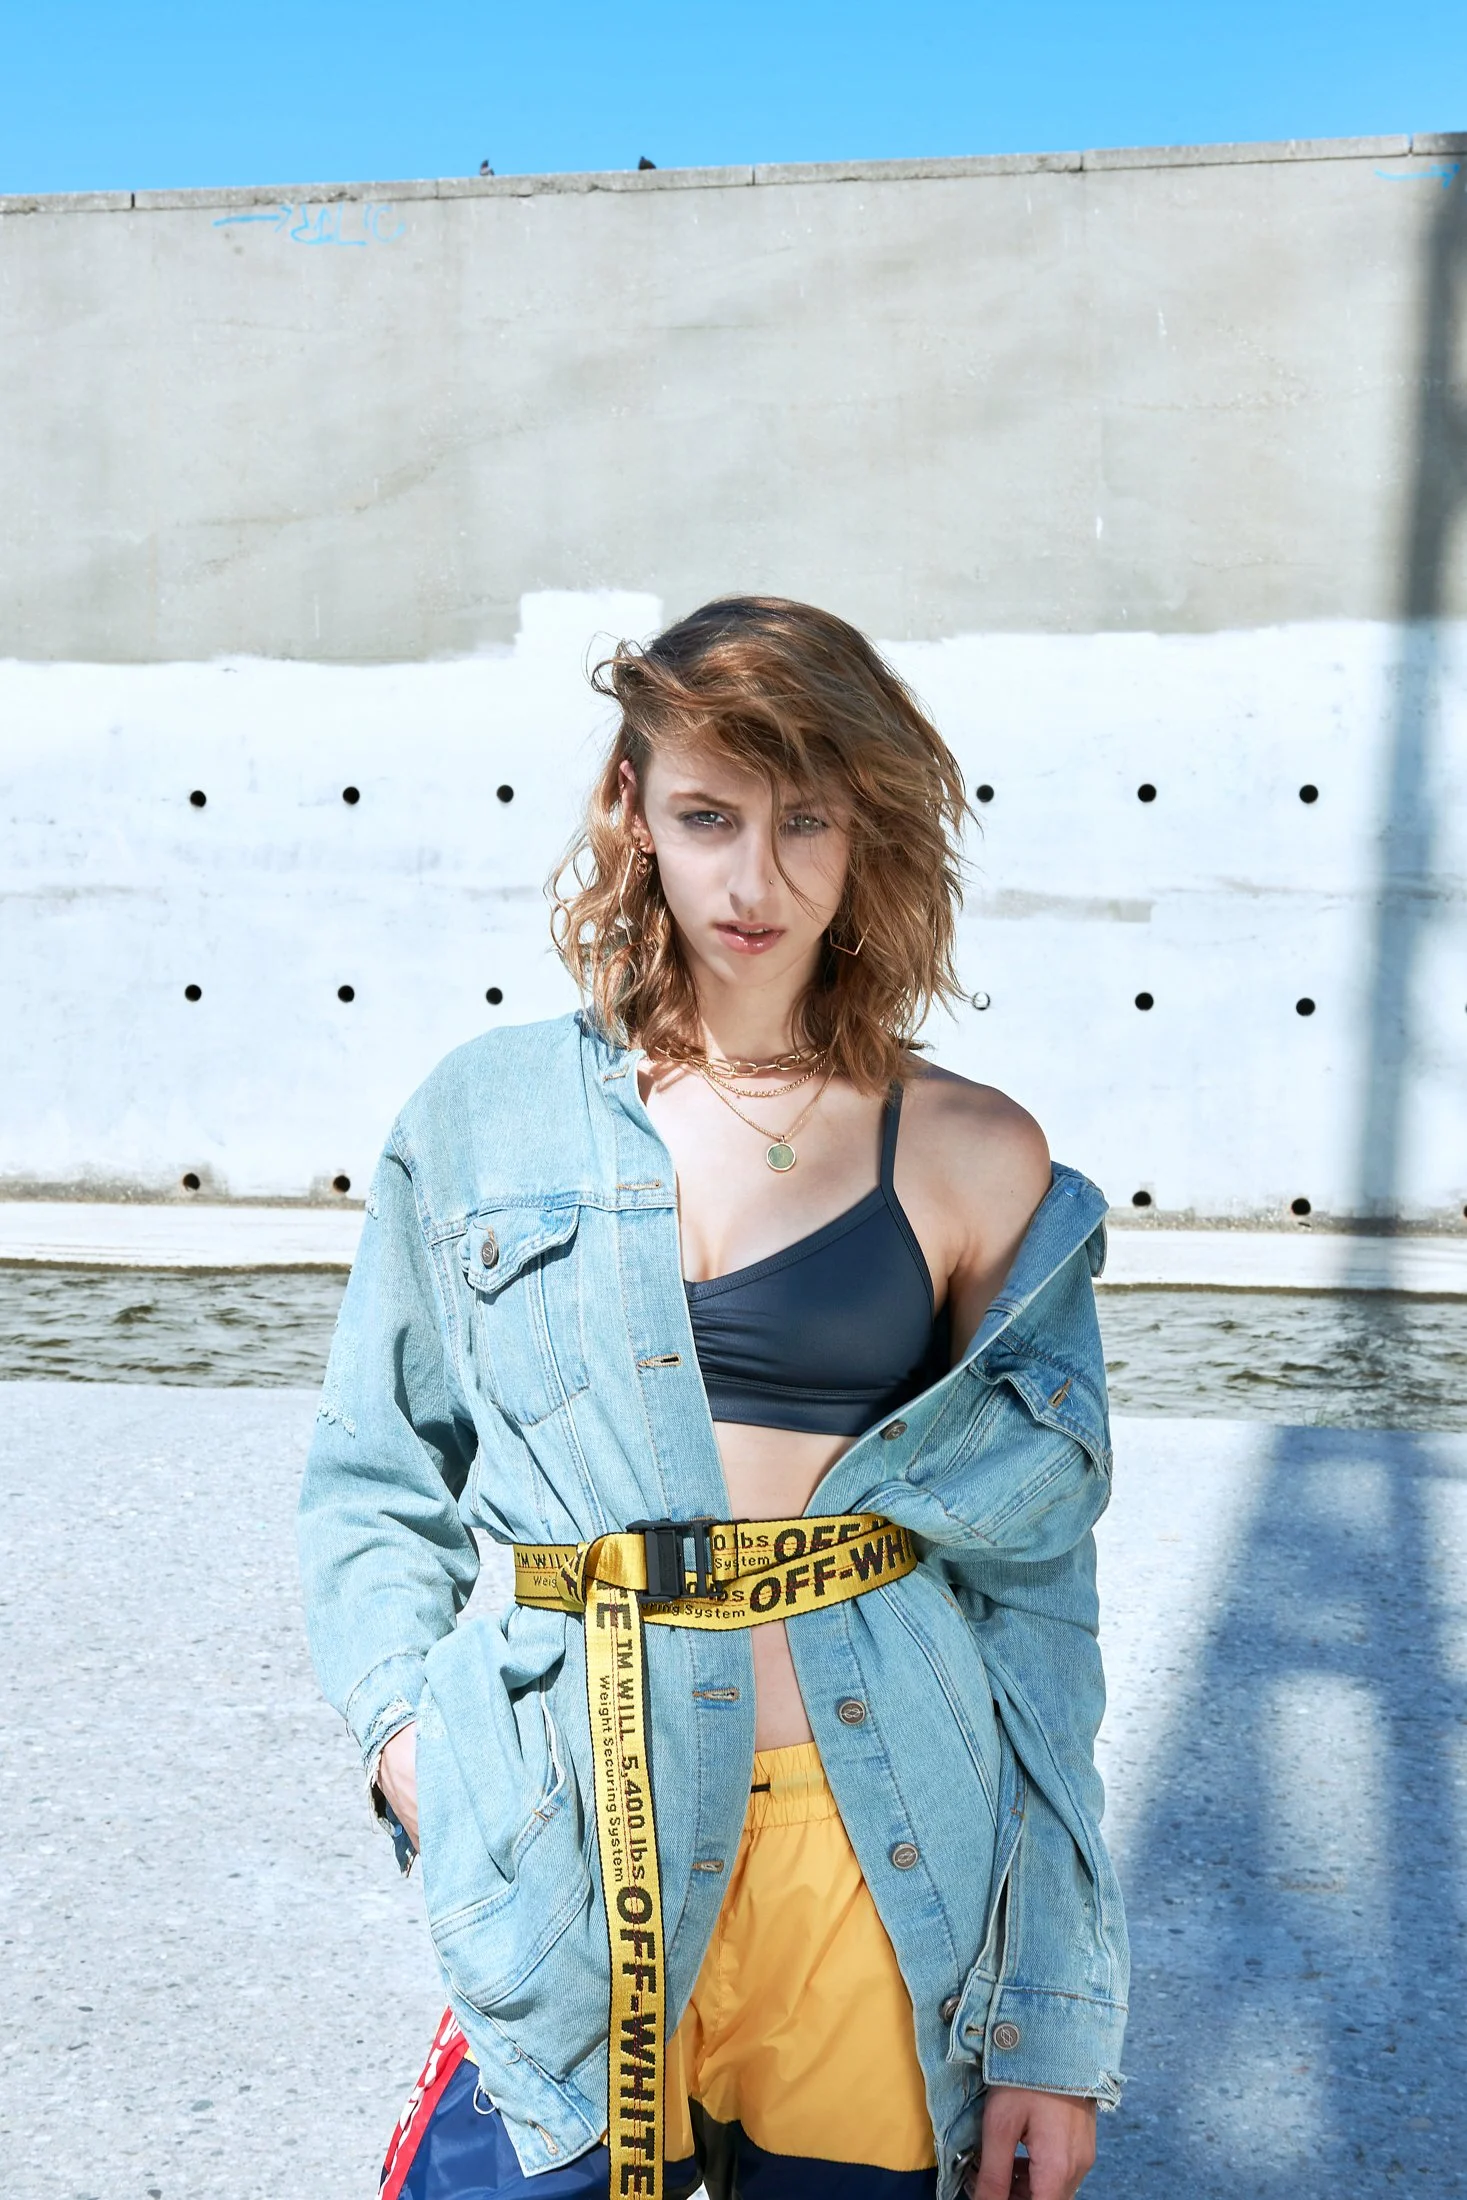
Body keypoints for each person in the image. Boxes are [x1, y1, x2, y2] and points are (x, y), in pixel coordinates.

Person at [297, 597, 1128, 2200]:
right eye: (706, 817)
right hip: (567, 1828)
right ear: (631, 807)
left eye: (804, 821)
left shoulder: (968, 1153)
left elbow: (1040, 1610)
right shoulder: (483, 1119)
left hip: (880, 1863)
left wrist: (1046, 2027)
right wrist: (414, 1744)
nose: (753, 882)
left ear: (866, 826)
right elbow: (371, 1479)